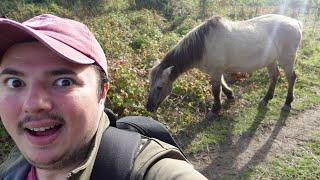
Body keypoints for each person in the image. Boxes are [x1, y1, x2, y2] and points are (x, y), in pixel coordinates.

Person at [0, 14, 207, 180]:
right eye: (15, 83)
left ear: (102, 93)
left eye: (64, 82)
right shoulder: (11, 168)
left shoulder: (149, 170)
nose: (33, 104)